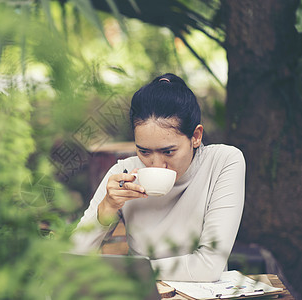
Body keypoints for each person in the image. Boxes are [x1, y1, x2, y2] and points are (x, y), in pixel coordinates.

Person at [71, 73, 245, 282]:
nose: (156, 164)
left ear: (196, 137)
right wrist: (107, 208)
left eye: (168, 152)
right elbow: (72, 260)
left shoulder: (222, 162)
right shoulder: (125, 173)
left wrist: (130, 271)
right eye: (144, 152)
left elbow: (208, 266)